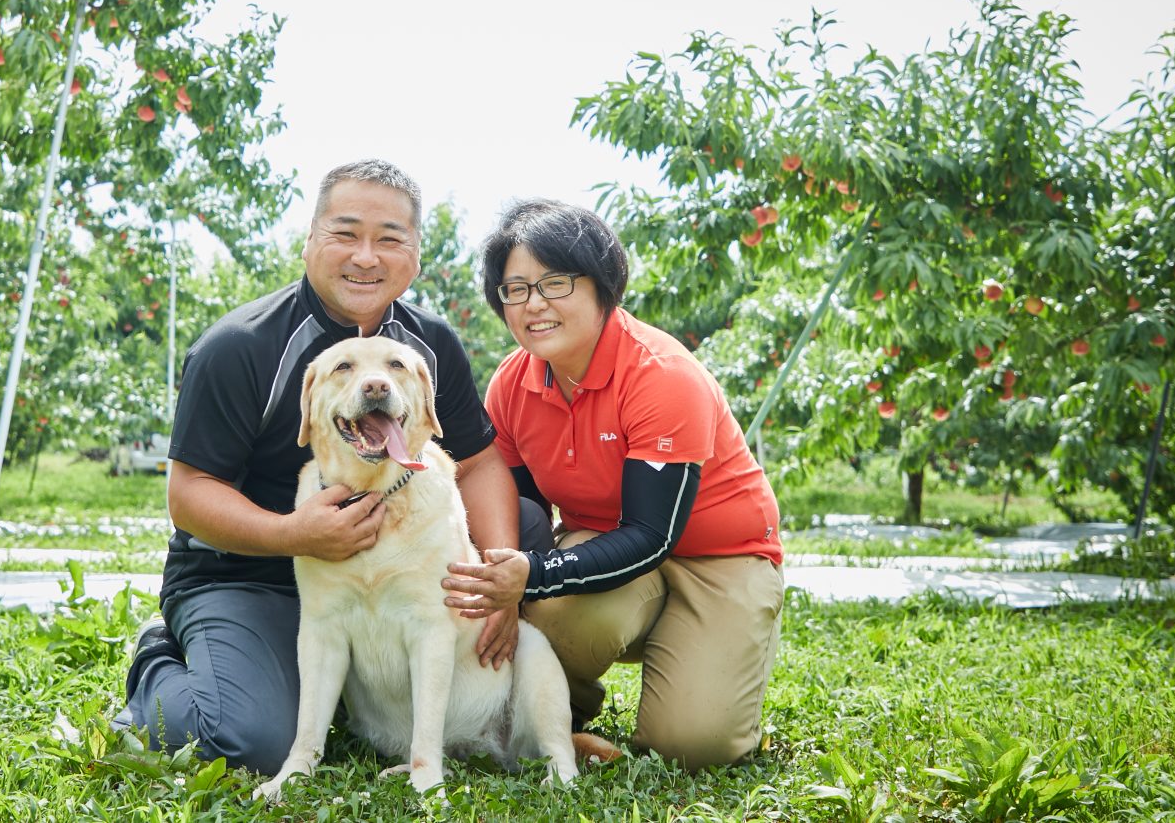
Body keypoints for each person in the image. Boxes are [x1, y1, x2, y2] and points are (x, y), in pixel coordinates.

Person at [115, 159, 519, 772]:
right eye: (345, 233)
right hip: (248, 574)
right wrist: (292, 534)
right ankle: (159, 661)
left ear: (414, 255)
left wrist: (497, 574)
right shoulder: (240, 347)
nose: (366, 256)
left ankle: (529, 710)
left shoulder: (429, 345)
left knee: (530, 533)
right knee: (249, 740)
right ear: (310, 239)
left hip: (388, 573)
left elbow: (482, 461)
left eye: (389, 239)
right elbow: (190, 493)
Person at [440, 199, 784, 770]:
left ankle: (713, 648)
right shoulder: (511, 384)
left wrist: (536, 574)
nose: (535, 304)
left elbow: (652, 533)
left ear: (602, 285)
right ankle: (561, 705)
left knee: (691, 747)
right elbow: (520, 507)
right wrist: (506, 585)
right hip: (603, 546)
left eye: (555, 282)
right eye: (516, 289)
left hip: (723, 557)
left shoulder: (661, 375)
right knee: (550, 613)